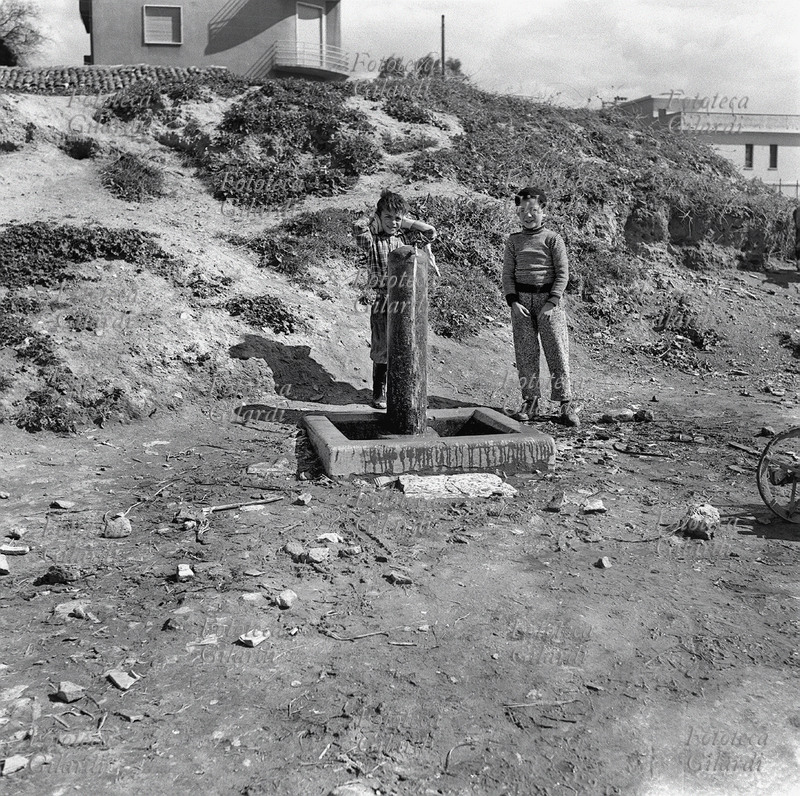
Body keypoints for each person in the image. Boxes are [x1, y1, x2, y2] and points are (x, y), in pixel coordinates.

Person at [502, 186, 579, 427]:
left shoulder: (553, 239)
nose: (528, 215)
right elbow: (507, 275)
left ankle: (565, 403)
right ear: (517, 213)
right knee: (525, 354)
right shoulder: (513, 241)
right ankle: (531, 402)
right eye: (523, 210)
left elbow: (563, 274)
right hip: (522, 304)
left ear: (543, 211)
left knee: (557, 351)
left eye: (533, 210)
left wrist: (552, 302)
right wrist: (513, 302)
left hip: (549, 304)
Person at [353, 189, 437, 409]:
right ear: (380, 217)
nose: (393, 222)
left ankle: (398, 390)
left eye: (397, 218)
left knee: (403, 343)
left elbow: (430, 233)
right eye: (388, 217)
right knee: (382, 345)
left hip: (406, 299)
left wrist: (405, 222)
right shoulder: (371, 241)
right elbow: (358, 227)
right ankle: (379, 393)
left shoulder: (404, 238)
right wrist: (376, 219)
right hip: (382, 298)